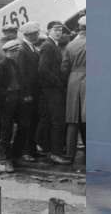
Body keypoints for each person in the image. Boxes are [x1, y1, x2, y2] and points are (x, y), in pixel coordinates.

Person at [37, 21, 71, 165]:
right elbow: (43, 69)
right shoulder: (48, 46)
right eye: (55, 30)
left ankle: (45, 147)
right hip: (52, 90)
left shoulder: (53, 45)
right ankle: (55, 153)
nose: (59, 32)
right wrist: (58, 83)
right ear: (48, 31)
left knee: (48, 119)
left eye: (60, 30)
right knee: (57, 121)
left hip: (51, 89)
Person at [0, 39, 24, 173]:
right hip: (6, 101)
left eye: (16, 51)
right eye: (12, 51)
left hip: (16, 99)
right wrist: (5, 96)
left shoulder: (15, 64)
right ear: (6, 52)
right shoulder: (1, 65)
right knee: (6, 130)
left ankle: (14, 154)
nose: (15, 53)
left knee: (23, 126)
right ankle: (7, 159)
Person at [13, 21, 41, 162]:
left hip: (33, 92)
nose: (37, 35)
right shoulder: (22, 50)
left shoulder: (30, 48)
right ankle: (25, 151)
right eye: (35, 34)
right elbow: (22, 74)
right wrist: (26, 94)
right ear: (29, 35)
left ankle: (31, 149)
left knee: (32, 121)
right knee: (26, 123)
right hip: (27, 94)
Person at [63, 16, 86, 164]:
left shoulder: (70, 45)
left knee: (72, 118)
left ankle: (69, 154)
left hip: (73, 80)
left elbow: (64, 67)